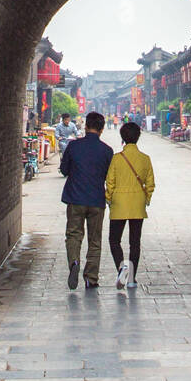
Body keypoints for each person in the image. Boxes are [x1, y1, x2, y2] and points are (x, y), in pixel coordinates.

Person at [59, 110, 113, 291]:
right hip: (96, 200)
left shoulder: (74, 146)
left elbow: (64, 170)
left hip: (75, 198)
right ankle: (91, 277)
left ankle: (74, 261)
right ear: (102, 129)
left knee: (74, 235)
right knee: (95, 240)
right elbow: (109, 177)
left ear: (86, 126)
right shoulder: (107, 151)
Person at [105, 120, 155, 289]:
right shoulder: (145, 159)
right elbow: (150, 183)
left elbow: (110, 182)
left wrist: (109, 198)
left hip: (119, 203)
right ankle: (132, 279)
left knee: (114, 240)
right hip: (137, 203)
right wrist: (146, 199)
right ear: (138, 137)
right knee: (135, 242)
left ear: (123, 138)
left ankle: (121, 268)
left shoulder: (117, 159)